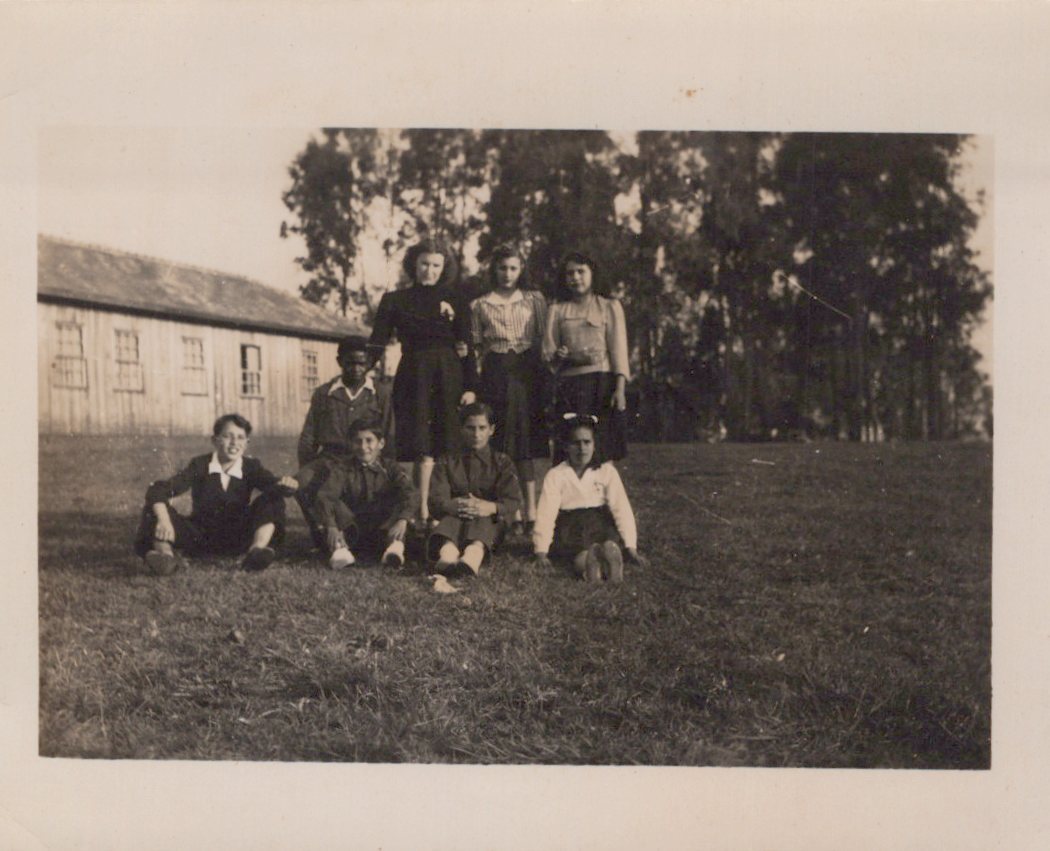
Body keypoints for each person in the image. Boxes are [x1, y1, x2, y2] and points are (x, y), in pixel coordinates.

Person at [369, 238, 476, 523]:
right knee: (419, 444)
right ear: (413, 265)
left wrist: (470, 386)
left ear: (444, 267)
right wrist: (362, 372)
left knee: (442, 445)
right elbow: (377, 341)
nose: (430, 270)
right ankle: (417, 509)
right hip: (413, 373)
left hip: (448, 374)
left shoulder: (457, 300)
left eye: (436, 265)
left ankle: (433, 509)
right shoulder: (395, 300)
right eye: (424, 264)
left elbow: (467, 345)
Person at [133, 414, 299, 575]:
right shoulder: (200, 465)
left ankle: (256, 551)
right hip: (200, 536)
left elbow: (272, 484)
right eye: (227, 436)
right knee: (154, 508)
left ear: (247, 443)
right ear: (215, 440)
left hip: (238, 536)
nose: (234, 443)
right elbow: (159, 489)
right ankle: (165, 557)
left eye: (240, 438)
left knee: (273, 498)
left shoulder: (251, 466)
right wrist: (164, 520)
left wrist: (287, 485)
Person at [469, 244, 548, 534]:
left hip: (526, 373)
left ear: (521, 269)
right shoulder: (480, 305)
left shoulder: (534, 300)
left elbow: (544, 339)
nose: (507, 274)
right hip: (495, 374)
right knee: (501, 441)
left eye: (513, 268)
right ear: (494, 270)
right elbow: (476, 347)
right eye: (502, 268)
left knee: (524, 443)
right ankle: (510, 512)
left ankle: (531, 511)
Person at [296, 335, 394, 547]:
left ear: (369, 363)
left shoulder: (380, 393)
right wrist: (307, 466)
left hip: (365, 459)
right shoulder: (324, 393)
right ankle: (322, 533)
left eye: (362, 363)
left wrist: (383, 465)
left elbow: (388, 433)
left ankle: (354, 532)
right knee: (303, 481)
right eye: (350, 363)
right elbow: (309, 435)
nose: (356, 368)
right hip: (330, 459)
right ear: (340, 361)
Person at [532, 414, 645, 583]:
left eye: (587, 442)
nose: (582, 448)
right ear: (566, 446)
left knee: (608, 544)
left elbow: (621, 508)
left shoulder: (606, 472)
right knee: (580, 554)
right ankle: (591, 568)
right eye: (575, 443)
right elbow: (546, 514)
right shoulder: (556, 475)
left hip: (600, 523)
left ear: (594, 445)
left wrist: (631, 546)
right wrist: (541, 551)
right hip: (570, 527)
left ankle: (610, 563)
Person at [542, 251, 630, 462]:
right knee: (570, 450)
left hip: (601, 385)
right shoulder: (557, 310)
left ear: (593, 274)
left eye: (581, 271)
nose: (575, 277)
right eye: (570, 273)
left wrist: (619, 390)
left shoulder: (608, 306)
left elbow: (619, 351)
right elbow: (548, 353)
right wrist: (560, 356)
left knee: (602, 450)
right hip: (570, 387)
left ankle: (603, 485)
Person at [427, 402, 521, 578]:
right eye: (470, 428)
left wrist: (490, 507)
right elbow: (435, 499)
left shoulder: (502, 462)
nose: (476, 434)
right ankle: (448, 552)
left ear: (491, 430)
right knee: (451, 518)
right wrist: (451, 505)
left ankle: (473, 554)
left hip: (489, 526)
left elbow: (512, 500)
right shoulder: (447, 461)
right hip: (455, 520)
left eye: (482, 428)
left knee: (484, 518)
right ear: (461, 429)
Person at [312, 417, 416, 570]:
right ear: (350, 443)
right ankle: (340, 550)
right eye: (357, 441)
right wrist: (331, 525)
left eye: (369, 441)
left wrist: (403, 519)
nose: (363, 447)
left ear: (381, 443)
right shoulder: (342, 468)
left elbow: (410, 493)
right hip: (354, 529)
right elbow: (326, 496)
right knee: (334, 503)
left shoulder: (391, 468)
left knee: (400, 500)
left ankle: (394, 548)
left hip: (383, 528)